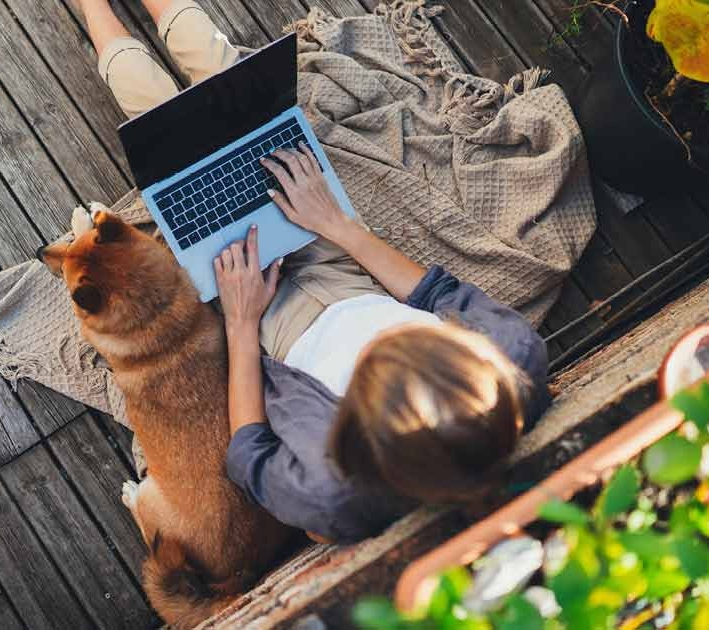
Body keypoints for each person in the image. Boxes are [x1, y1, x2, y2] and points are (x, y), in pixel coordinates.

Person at [78, 0, 550, 542]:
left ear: (361, 435)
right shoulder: (513, 360)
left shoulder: (333, 498)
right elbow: (433, 291)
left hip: (265, 321)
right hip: (347, 264)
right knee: (241, 95)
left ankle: (95, 11)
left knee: (166, 128)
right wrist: (336, 224)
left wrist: (240, 320)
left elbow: (247, 452)